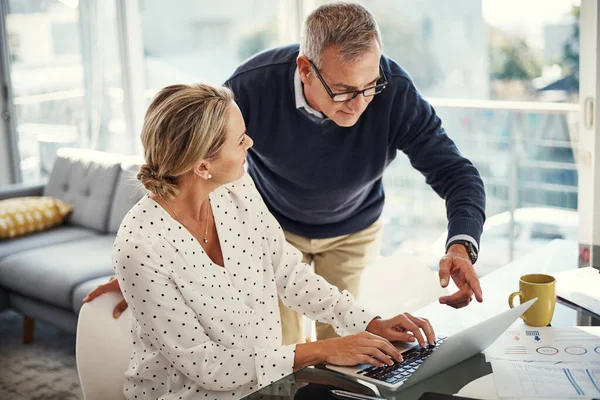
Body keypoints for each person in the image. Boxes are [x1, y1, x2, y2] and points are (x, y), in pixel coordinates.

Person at [85, 2, 485, 345]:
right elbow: (184, 165)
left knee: (348, 343)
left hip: (352, 229)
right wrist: (151, 270)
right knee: (277, 346)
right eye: (344, 90)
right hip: (270, 228)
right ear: (305, 68)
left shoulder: (393, 91)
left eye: (370, 85)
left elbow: (456, 172)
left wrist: (461, 247)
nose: (361, 103)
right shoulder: (250, 89)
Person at [111, 82, 436, 399]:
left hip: (270, 387)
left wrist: (367, 322)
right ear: (203, 166)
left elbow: (290, 274)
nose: (250, 143)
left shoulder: (237, 189)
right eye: (239, 141)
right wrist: (323, 349)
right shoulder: (140, 246)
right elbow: (203, 364)